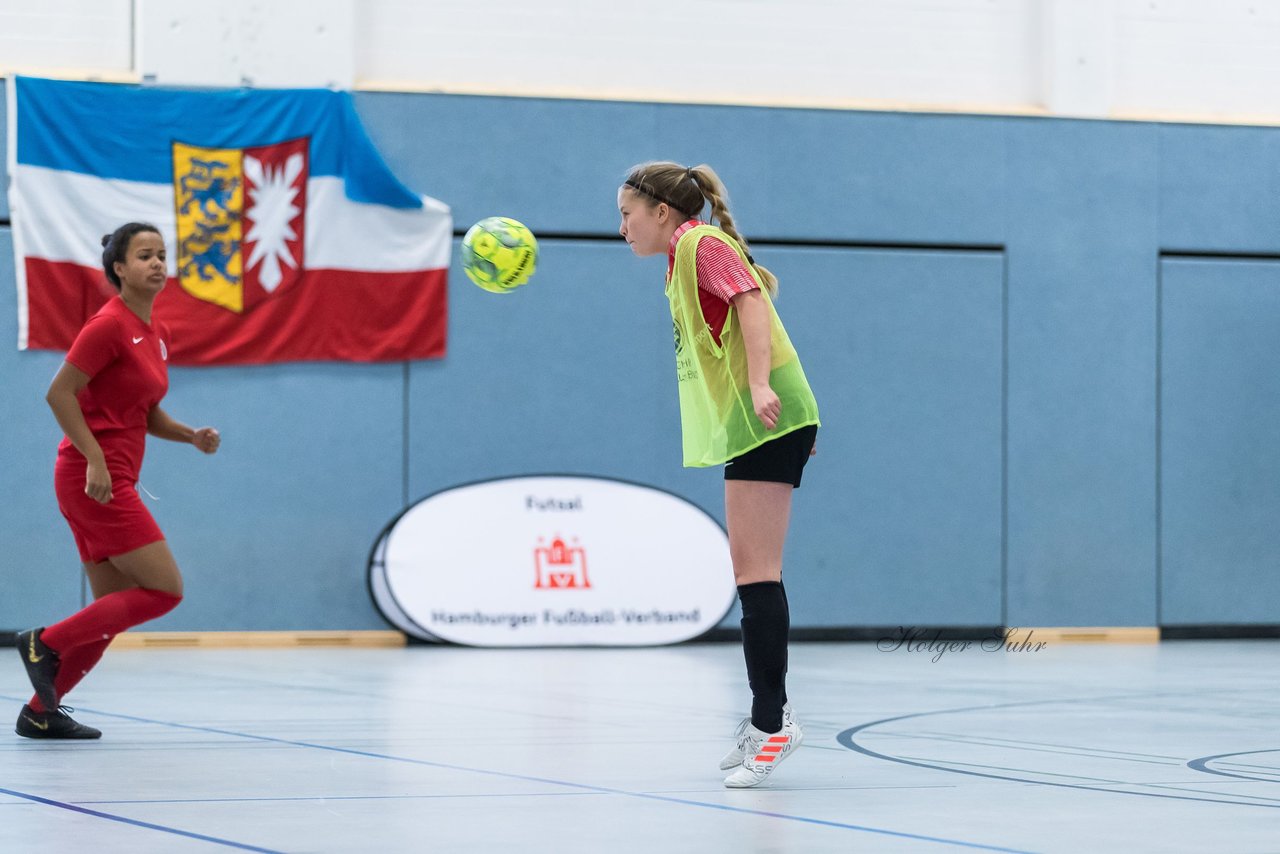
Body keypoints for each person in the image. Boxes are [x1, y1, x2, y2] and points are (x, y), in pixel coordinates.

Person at [617, 162, 820, 787]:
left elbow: (751, 303)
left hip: (768, 416)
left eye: (627, 213)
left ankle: (773, 724)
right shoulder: (683, 257)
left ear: (661, 211)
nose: (620, 227)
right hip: (760, 423)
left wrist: (761, 386)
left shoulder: (702, 242)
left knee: (756, 574)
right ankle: (766, 721)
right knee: (751, 573)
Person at [15, 222, 221, 739]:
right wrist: (96, 461)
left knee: (111, 614)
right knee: (165, 590)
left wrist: (190, 435)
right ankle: (45, 641)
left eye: (161, 255)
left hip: (105, 476)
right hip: (94, 479)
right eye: (144, 256)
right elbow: (58, 395)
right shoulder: (107, 325)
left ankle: (40, 713)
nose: (156, 263)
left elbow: (145, 413)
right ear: (119, 269)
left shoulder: (156, 333)